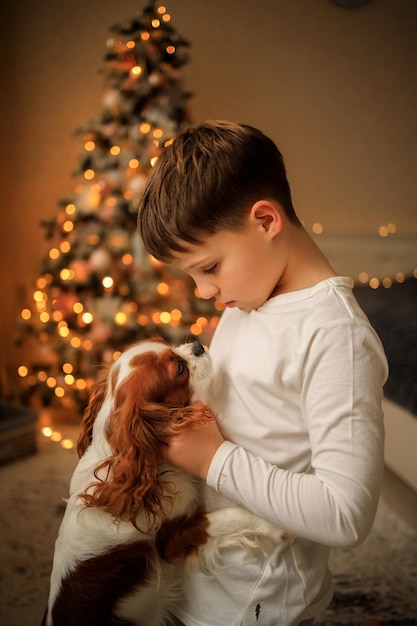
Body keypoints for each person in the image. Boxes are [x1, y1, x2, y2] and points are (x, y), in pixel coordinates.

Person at [137, 120, 388, 626]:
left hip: (257, 601)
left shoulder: (334, 334)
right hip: (201, 569)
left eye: (209, 267)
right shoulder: (249, 299)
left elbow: (346, 513)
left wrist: (212, 459)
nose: (203, 291)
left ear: (266, 220)